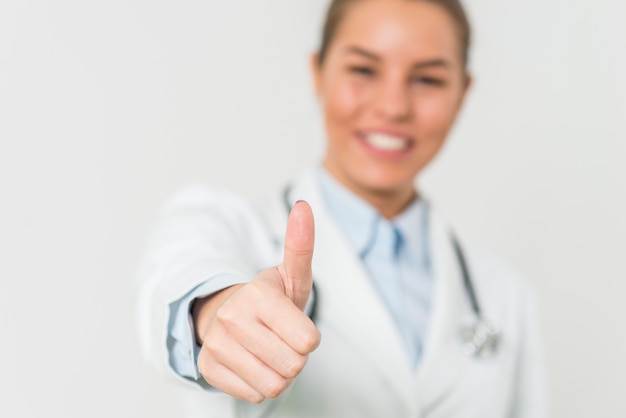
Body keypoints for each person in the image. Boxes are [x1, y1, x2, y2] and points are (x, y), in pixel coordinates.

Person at [136, 0, 548, 417]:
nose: (393, 107)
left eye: (427, 79)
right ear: (318, 72)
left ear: (462, 93)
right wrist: (215, 312)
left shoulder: (504, 297)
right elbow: (177, 281)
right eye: (364, 70)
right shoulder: (226, 226)